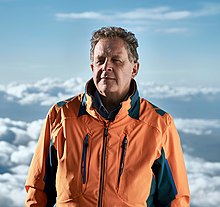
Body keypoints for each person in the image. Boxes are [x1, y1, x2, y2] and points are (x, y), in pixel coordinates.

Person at [25, 26, 190, 207]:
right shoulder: (62, 115)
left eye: (116, 60)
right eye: (100, 60)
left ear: (135, 69)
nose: (106, 67)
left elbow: (175, 198)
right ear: (92, 67)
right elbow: (38, 188)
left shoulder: (158, 124)